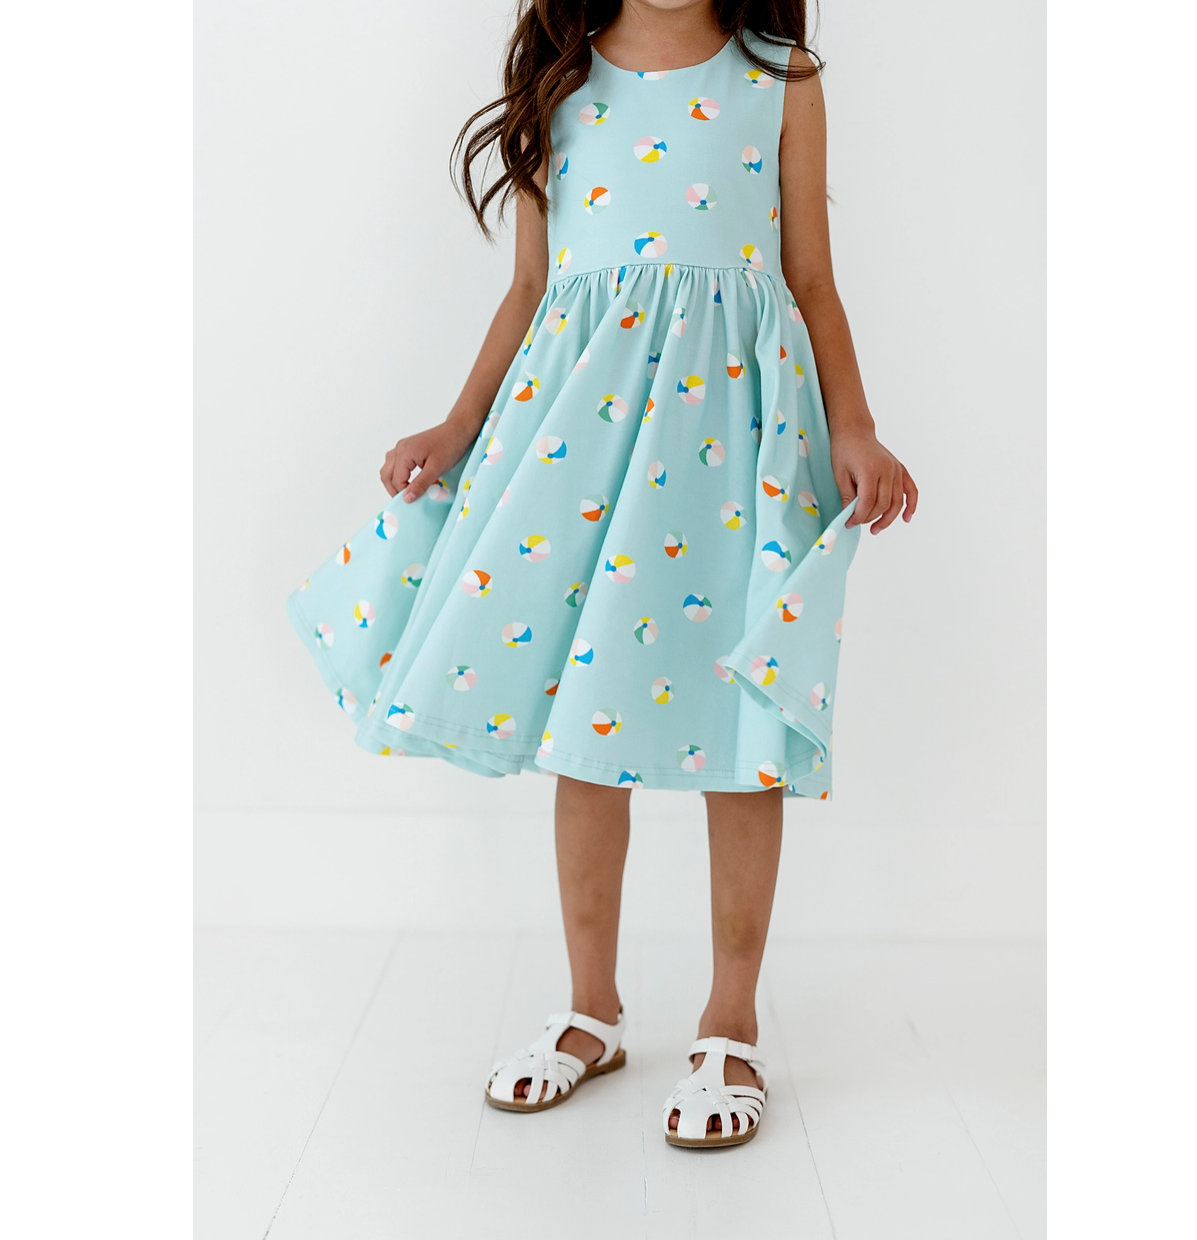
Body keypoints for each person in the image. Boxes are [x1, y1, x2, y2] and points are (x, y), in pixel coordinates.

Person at [288, 0, 916, 1148]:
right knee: (587, 723)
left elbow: (810, 279)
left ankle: (731, 1018)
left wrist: (855, 425)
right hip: (582, 440)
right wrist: (457, 425)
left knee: (742, 724)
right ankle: (592, 1007)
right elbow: (530, 289)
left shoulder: (779, 79)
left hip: (735, 435)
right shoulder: (561, 85)